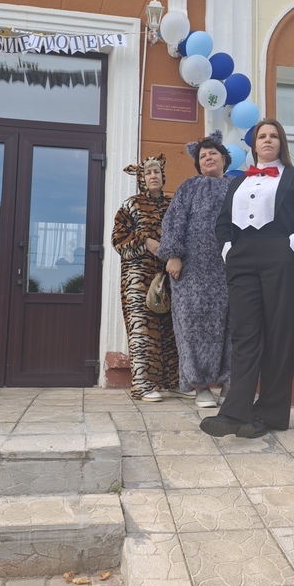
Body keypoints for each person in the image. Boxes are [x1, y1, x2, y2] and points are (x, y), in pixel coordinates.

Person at [200, 119, 294, 438]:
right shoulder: (238, 182)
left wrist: (290, 250)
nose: (267, 140)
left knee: (279, 335)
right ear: (253, 145)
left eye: (273, 136)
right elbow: (223, 223)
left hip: (279, 256)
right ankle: (234, 412)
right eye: (261, 136)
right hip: (242, 259)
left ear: (281, 143)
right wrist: (228, 250)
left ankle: (270, 415)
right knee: (245, 335)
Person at [157, 131, 232, 408]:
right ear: (198, 164)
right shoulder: (189, 187)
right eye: (202, 156)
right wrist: (173, 255)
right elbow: (173, 221)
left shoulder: (237, 186)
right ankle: (200, 386)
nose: (208, 158)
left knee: (232, 326)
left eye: (213, 153)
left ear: (224, 158)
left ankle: (230, 385)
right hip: (192, 272)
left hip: (229, 269)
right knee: (192, 326)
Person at [112, 155, 193, 402]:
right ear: (141, 178)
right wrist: (145, 241)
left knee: (172, 330)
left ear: (162, 175)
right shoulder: (131, 205)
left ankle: (174, 381)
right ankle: (142, 384)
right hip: (139, 277)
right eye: (148, 173)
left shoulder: (174, 205)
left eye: (156, 171)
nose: (153, 176)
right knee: (142, 330)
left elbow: (186, 235)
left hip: (171, 275)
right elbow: (118, 239)